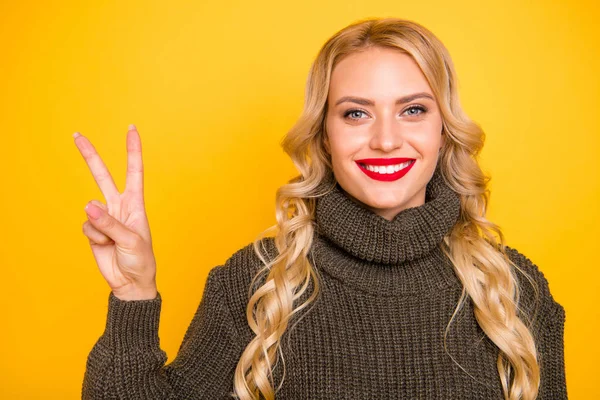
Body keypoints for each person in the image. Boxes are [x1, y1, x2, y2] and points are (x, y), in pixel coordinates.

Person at [76, 17, 567, 400]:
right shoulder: (254, 285)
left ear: (444, 131)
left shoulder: (513, 290)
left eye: (413, 109)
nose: (386, 139)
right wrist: (133, 295)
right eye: (356, 113)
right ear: (325, 138)